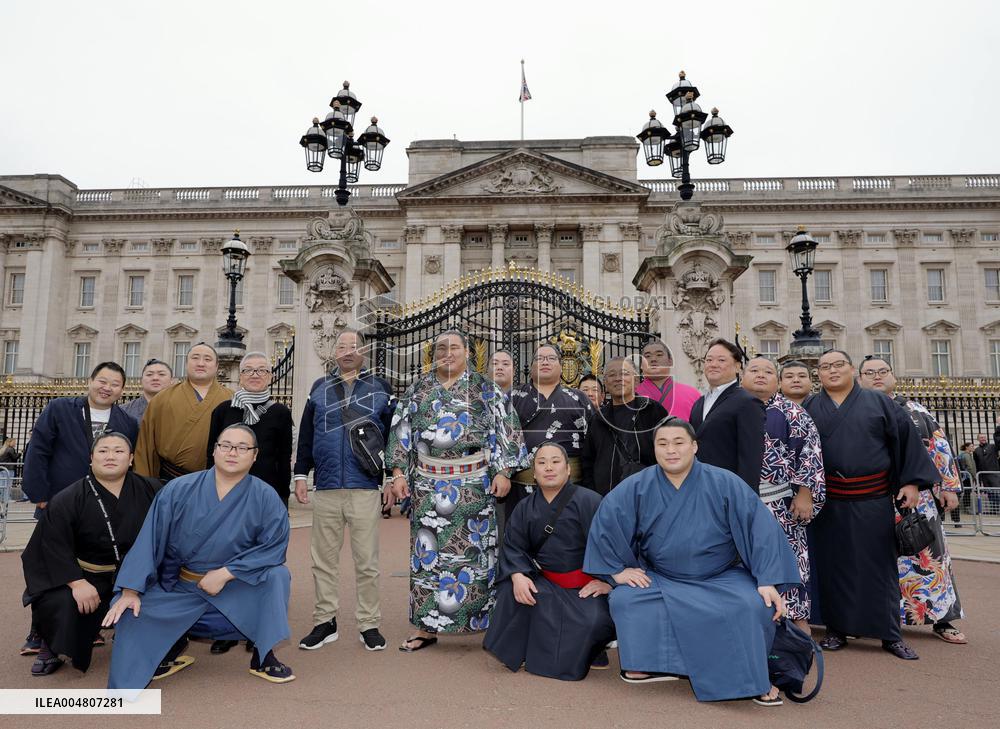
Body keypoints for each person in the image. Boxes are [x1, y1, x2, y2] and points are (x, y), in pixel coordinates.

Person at [583, 419, 800, 705]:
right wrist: (616, 572)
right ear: (655, 448)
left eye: (678, 442)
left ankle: (752, 677)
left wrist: (767, 579)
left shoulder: (725, 482)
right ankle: (649, 665)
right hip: (663, 576)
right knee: (626, 599)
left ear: (694, 446)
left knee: (753, 604)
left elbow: (759, 528)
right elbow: (607, 521)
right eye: (662, 444)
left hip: (719, 576)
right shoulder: (638, 486)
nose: (671, 450)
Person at [103, 424, 294, 687]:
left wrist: (227, 573)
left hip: (235, 587)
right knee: (130, 609)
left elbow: (274, 547)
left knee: (277, 575)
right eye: (225, 445)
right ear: (214, 451)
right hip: (181, 587)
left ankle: (264, 654)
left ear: (255, 455)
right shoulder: (178, 489)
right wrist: (130, 591)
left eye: (242, 447)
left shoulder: (265, 496)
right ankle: (169, 646)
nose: (232, 452)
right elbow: (150, 540)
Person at [387, 329, 525, 652]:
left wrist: (503, 471)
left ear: (467, 352)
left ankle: (485, 626)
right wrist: (397, 472)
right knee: (427, 558)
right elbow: (401, 429)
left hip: (473, 487)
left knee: (476, 559)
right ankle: (425, 627)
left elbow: (507, 429)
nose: (448, 353)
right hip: (427, 485)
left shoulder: (485, 389)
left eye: (455, 348)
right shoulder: (418, 388)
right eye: (441, 348)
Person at [804, 350, 939, 660]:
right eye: (825, 367)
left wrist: (910, 482)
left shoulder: (880, 403)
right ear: (819, 375)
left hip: (873, 498)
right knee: (833, 566)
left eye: (838, 365)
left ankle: (890, 635)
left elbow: (904, 441)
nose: (832, 371)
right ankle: (837, 629)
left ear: (852, 369)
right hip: (830, 501)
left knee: (880, 568)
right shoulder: (810, 406)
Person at [19, 361, 138, 656]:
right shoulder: (60, 408)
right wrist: (40, 495)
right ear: (91, 381)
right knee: (50, 563)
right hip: (59, 500)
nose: (106, 387)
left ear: (122, 390)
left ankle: (88, 625)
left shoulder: (126, 422)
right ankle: (39, 628)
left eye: (114, 384)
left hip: (98, 508)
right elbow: (39, 449)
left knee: (89, 566)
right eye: (103, 380)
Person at [20, 432, 161, 676]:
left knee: (166, 599)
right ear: (91, 458)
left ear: (130, 459)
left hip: (135, 576)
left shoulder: (152, 490)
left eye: (118, 451)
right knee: (60, 601)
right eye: (103, 451)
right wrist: (77, 582)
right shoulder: (67, 499)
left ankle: (150, 646)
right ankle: (51, 646)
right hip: (86, 575)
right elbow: (50, 547)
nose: (110, 456)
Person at [294, 330, 394, 653]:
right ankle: (325, 621)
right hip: (326, 486)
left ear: (365, 351)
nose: (348, 351)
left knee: (367, 561)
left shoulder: (381, 388)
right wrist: (299, 474)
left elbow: (391, 437)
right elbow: (307, 433)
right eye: (342, 346)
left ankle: (369, 623)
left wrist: (392, 476)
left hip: (364, 486)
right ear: (333, 352)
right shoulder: (318, 389)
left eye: (355, 346)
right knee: (323, 560)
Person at [858, 356, 967, 645]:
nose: (877, 377)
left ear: (893, 376)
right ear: (860, 379)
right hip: (872, 496)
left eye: (883, 371)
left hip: (919, 499)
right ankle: (877, 618)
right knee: (875, 560)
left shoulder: (916, 410)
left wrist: (950, 487)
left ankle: (942, 619)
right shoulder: (854, 410)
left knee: (930, 558)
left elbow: (939, 448)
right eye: (870, 373)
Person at [484, 442, 614, 680]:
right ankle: (526, 651)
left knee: (595, 620)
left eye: (556, 462)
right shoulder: (525, 508)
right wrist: (517, 575)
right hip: (546, 581)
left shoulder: (591, 502)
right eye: (541, 463)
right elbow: (513, 546)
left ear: (568, 470)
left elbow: (613, 547)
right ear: (534, 473)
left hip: (584, 586)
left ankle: (592, 649)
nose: (549, 468)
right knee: (512, 595)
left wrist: (609, 583)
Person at [204, 351, 293, 654]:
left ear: (271, 376)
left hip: (265, 499)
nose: (255, 375)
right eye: (249, 370)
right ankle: (226, 628)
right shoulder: (223, 410)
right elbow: (210, 454)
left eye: (262, 370)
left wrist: (281, 500)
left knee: (262, 562)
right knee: (224, 558)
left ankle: (257, 627)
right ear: (239, 376)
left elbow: (283, 458)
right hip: (225, 497)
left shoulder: (280, 412)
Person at [741, 356, 826, 633]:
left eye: (768, 372)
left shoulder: (792, 412)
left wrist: (805, 493)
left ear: (777, 381)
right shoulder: (732, 408)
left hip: (780, 501)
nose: (761, 376)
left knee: (791, 561)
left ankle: (799, 623)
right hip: (739, 502)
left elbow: (810, 453)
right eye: (754, 370)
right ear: (742, 377)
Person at [509, 344, 593, 519]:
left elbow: (594, 442)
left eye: (551, 358)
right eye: (539, 359)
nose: (545, 362)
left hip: (570, 485)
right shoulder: (514, 396)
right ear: (531, 367)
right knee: (523, 536)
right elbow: (500, 440)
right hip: (521, 487)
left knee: (568, 537)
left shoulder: (579, 398)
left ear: (561, 367)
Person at [134, 343, 233, 480]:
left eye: (207, 359)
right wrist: (143, 484)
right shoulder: (162, 398)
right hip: (170, 479)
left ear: (216, 366)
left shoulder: (232, 398)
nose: (200, 363)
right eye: (195, 358)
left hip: (219, 479)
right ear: (186, 364)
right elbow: (146, 445)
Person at [580, 357, 667, 496]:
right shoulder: (598, 419)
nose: (618, 378)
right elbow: (588, 461)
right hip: (607, 498)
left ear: (637, 381)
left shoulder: (651, 410)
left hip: (648, 495)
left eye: (624, 373)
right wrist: (593, 494)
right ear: (605, 384)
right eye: (612, 375)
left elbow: (667, 452)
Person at [689, 339, 766, 491]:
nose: (713, 364)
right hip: (698, 487)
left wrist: (744, 497)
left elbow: (751, 457)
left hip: (729, 489)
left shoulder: (747, 402)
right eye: (709, 360)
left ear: (738, 366)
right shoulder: (698, 403)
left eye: (721, 360)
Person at [636, 340, 701, 420]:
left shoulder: (692, 394)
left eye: (659, 355)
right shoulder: (630, 395)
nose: (653, 359)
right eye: (647, 356)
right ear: (641, 365)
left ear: (670, 362)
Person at [121, 359, 174, 424]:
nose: (155, 378)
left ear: (172, 380)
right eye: (149, 374)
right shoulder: (124, 411)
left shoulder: (183, 410)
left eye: (161, 374)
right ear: (141, 380)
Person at [957, 442, 977, 523]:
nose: (973, 447)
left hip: (965, 477)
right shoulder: (966, 455)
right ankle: (967, 508)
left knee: (966, 492)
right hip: (967, 477)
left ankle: (967, 507)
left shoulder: (963, 454)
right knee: (967, 492)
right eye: (971, 446)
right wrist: (974, 476)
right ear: (966, 447)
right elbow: (970, 467)